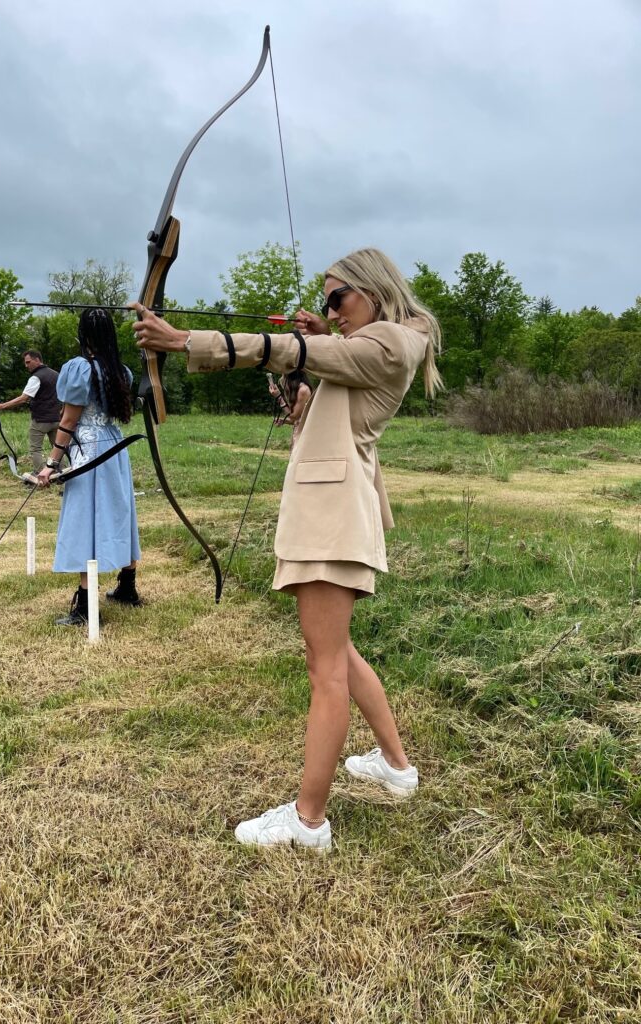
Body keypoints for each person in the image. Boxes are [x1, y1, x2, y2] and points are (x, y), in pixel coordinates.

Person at [131, 248, 442, 850]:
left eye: (337, 298)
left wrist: (186, 341)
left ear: (373, 292)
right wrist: (314, 370)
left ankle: (308, 822)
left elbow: (293, 351)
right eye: (325, 301)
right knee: (338, 653)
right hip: (329, 514)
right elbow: (330, 401)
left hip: (332, 520)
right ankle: (397, 768)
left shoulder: (393, 343)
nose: (329, 310)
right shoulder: (362, 347)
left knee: (324, 669)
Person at [36, 308, 143, 625]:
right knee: (119, 512)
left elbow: (68, 421)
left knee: (86, 520)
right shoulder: (121, 371)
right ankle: (127, 588)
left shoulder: (81, 368)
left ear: (82, 336)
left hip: (90, 453)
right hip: (114, 448)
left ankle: (85, 608)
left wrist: (51, 464)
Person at [0, 350, 64, 472]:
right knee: (57, 447)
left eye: (28, 362)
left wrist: (1, 406)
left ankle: (40, 475)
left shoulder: (36, 377)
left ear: (37, 360)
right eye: (25, 363)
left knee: (36, 449)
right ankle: (61, 472)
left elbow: (23, 398)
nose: (26, 365)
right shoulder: (56, 374)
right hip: (57, 419)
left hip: (40, 420)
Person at [267, 368, 313, 449]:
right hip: (298, 432)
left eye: (283, 375)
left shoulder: (303, 390)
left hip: (305, 435)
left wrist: (279, 397)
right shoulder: (295, 389)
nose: (281, 379)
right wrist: (285, 421)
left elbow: (294, 416)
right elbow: (296, 419)